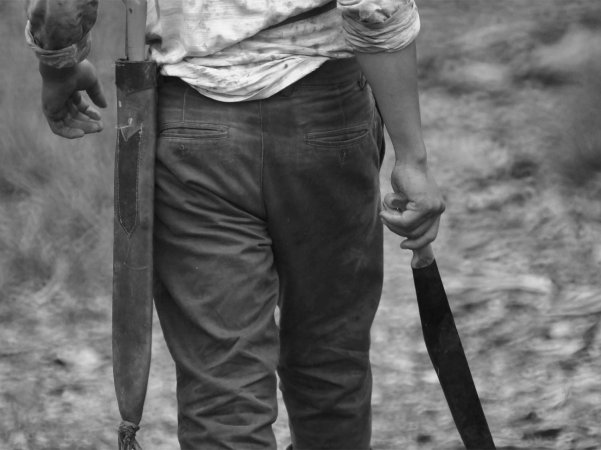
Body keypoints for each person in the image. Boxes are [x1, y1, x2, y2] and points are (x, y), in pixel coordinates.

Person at [25, 0, 445, 448]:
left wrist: (60, 61)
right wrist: (411, 156)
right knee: (330, 365)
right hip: (327, 121)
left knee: (222, 395)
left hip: (194, 128)